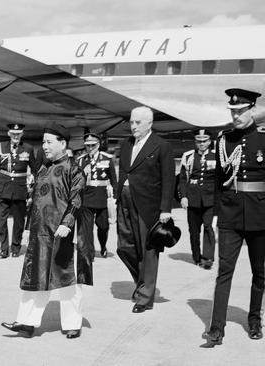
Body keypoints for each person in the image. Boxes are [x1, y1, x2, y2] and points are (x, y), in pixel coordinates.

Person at [204, 88, 265, 346]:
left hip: (260, 213)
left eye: (240, 111)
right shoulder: (224, 139)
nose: (236, 116)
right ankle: (216, 327)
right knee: (224, 272)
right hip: (230, 212)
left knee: (258, 272)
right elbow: (219, 180)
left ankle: (254, 319)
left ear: (252, 109)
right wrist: (217, 213)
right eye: (232, 111)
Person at [1, 124, 86, 339]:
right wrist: (29, 227)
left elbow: (76, 198)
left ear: (63, 143)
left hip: (62, 232)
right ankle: (26, 322)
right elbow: (36, 202)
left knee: (66, 278)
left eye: (49, 142)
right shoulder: (43, 168)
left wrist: (67, 223)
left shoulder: (72, 168)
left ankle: (72, 324)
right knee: (35, 277)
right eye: (44, 142)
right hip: (40, 233)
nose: (45, 147)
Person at [116, 106, 174, 314]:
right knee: (125, 247)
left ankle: (145, 297)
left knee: (148, 251)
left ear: (149, 123)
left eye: (137, 122)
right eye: (131, 122)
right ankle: (142, 284)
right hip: (124, 201)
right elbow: (124, 171)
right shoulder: (126, 145)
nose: (133, 126)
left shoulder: (161, 146)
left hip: (148, 205)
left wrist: (165, 209)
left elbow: (168, 179)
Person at [0, 123, 36, 258]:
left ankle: (16, 247)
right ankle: (4, 248)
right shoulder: (0, 147)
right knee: (1, 221)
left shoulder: (28, 148)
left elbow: (33, 169)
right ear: (9, 134)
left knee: (19, 221)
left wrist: (32, 184)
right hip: (3, 187)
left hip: (20, 189)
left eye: (18, 134)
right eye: (13, 134)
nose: (16, 136)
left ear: (22, 134)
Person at [177, 129, 216, 269]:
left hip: (210, 200)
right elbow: (182, 179)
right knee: (194, 231)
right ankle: (196, 256)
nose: (201, 144)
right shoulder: (188, 157)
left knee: (208, 226)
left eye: (204, 141)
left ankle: (208, 257)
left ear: (209, 142)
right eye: (199, 141)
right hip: (192, 199)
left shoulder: (216, 156)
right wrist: (183, 197)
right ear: (195, 142)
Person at [76, 132, 117, 258]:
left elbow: (114, 180)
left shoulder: (107, 159)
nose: (90, 148)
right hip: (86, 197)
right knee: (86, 229)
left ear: (98, 145)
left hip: (101, 197)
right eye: (87, 146)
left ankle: (103, 246)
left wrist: (115, 197)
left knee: (103, 226)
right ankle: (89, 252)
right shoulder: (81, 160)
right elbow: (76, 180)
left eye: (93, 145)